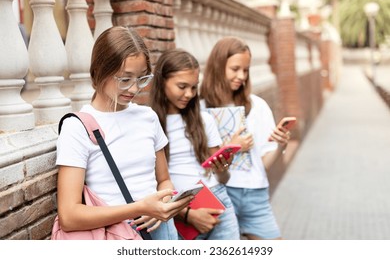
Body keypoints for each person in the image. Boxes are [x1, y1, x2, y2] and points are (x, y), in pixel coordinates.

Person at [55, 26, 192, 240]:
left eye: (141, 78)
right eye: (125, 79)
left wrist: (164, 203)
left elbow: (163, 179)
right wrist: (140, 208)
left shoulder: (148, 117)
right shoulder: (77, 127)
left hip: (163, 229)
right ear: (99, 71)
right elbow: (69, 216)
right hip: (117, 233)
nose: (134, 89)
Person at [199, 36, 291, 240]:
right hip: (218, 194)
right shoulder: (199, 108)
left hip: (255, 195)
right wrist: (231, 147)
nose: (241, 75)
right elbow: (199, 163)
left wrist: (279, 145)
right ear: (218, 66)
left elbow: (263, 163)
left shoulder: (257, 106)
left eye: (246, 70)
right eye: (235, 69)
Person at [149, 48, 240, 240]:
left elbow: (222, 178)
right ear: (162, 82)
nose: (189, 94)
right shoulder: (149, 123)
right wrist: (188, 215)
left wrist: (223, 168)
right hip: (178, 209)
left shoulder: (204, 120)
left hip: (216, 200)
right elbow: (149, 184)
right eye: (182, 86)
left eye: (193, 87)